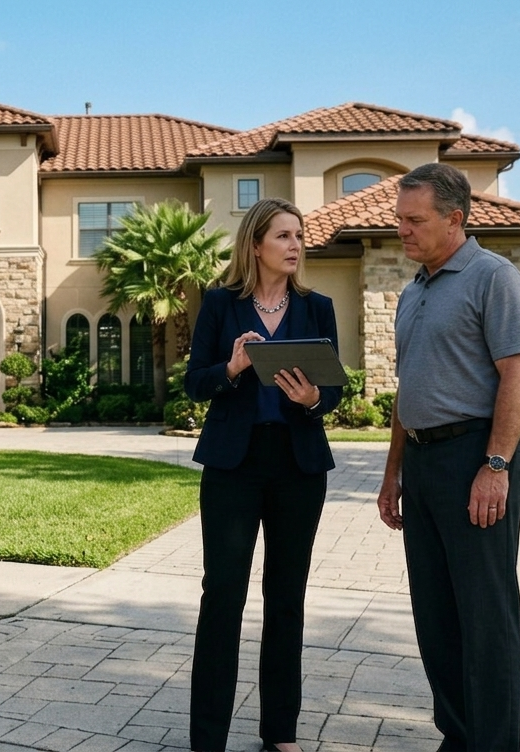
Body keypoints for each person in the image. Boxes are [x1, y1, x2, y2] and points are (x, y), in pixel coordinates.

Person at [375, 163, 520, 751]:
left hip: (475, 457)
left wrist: (495, 466)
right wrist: (393, 473)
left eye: (414, 220)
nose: (403, 230)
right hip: (421, 465)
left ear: (455, 219)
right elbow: (406, 388)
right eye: (399, 219)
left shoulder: (495, 278)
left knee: (485, 617)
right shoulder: (413, 290)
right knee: (436, 616)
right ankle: (460, 734)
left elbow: (518, 374)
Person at [185, 197, 343, 752]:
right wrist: (232, 367)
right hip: (234, 466)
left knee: (286, 598)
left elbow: (335, 391)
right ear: (256, 244)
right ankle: (207, 737)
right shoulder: (219, 305)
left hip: (298, 468)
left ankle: (280, 731)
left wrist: (313, 398)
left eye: (299, 235)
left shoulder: (318, 307)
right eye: (283, 236)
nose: (296, 244)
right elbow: (194, 382)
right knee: (222, 596)